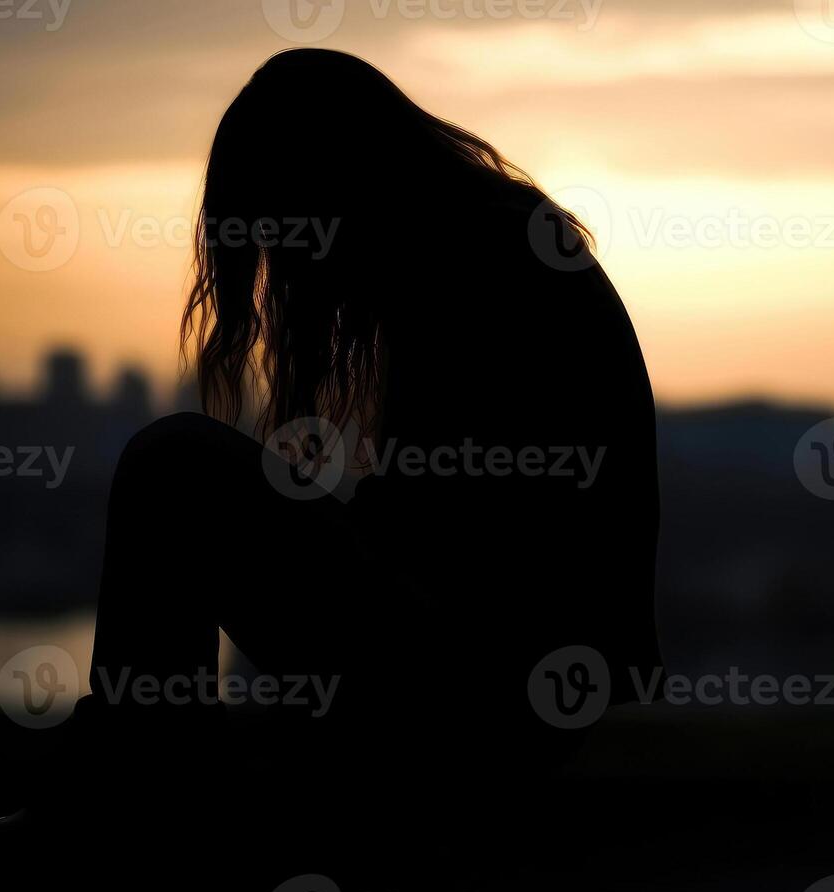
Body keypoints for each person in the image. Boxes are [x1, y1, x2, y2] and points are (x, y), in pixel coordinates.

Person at [75, 48, 661, 788]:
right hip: (529, 677)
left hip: (503, 694)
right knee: (181, 465)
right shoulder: (494, 239)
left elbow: (442, 542)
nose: (284, 273)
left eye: (280, 235)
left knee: (175, 464)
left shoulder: (479, 257)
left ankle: (134, 787)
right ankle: (140, 774)